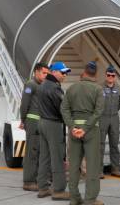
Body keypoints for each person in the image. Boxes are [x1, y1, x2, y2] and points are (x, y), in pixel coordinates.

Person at [61, 61, 104, 205]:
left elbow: (64, 110)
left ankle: (74, 198)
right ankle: (90, 199)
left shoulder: (71, 88)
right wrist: (85, 128)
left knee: (73, 165)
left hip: (74, 131)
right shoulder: (98, 90)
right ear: (95, 74)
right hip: (91, 130)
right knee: (92, 166)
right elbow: (98, 112)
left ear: (83, 73)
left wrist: (73, 126)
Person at [36, 62, 71, 200]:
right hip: (53, 124)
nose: (65, 75)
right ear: (54, 72)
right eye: (63, 73)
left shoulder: (42, 85)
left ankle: (43, 188)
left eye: (66, 73)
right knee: (57, 158)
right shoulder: (54, 88)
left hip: (43, 122)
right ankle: (59, 190)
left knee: (44, 157)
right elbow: (62, 109)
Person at [20, 62, 49, 191]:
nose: (45, 76)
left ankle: (37, 178)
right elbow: (24, 104)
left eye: (47, 73)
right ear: (36, 72)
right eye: (43, 73)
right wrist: (23, 119)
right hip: (32, 122)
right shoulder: (30, 85)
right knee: (31, 152)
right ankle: (28, 181)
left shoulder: (41, 86)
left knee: (39, 151)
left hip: (40, 122)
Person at [99, 65, 120, 179]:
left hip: (114, 118)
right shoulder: (99, 87)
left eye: (112, 75)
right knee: (100, 145)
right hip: (102, 118)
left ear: (115, 77)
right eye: (108, 75)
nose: (110, 77)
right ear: (106, 75)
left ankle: (115, 169)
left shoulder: (119, 89)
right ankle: (99, 170)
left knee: (114, 144)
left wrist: (113, 112)